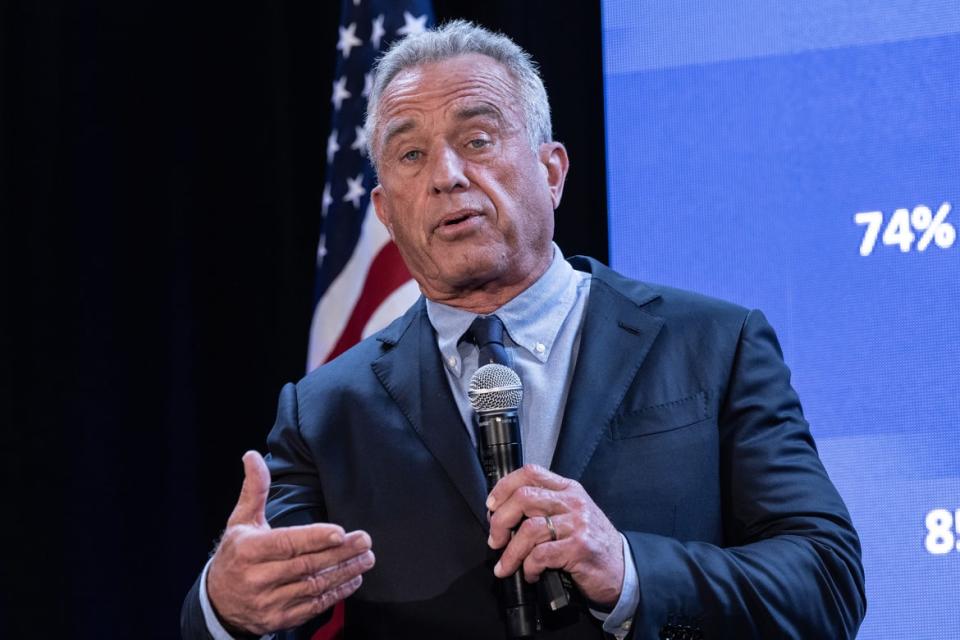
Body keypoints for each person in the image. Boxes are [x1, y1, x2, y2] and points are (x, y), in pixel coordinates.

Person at [181, 21, 865, 640]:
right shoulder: (325, 412)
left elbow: (826, 582)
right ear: (386, 213)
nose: (447, 176)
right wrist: (226, 607)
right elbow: (267, 595)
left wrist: (630, 571)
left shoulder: (714, 345)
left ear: (552, 170)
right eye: (411, 155)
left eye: (477, 139)